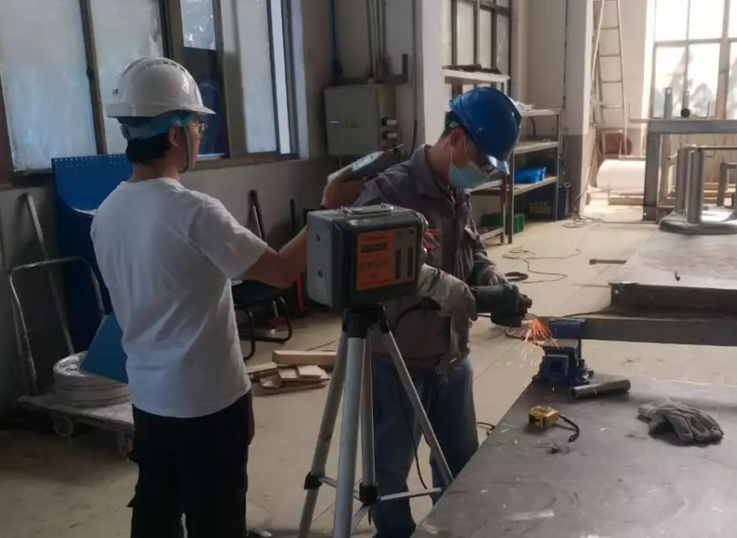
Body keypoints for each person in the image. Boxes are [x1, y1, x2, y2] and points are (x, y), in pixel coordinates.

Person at [89, 57, 366, 538]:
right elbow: (279, 272)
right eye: (197, 125)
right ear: (174, 134)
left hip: (149, 399)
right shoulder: (195, 212)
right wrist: (327, 208)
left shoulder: (106, 212)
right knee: (215, 517)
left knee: (156, 506)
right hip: (208, 404)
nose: (200, 134)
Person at [351, 86, 523, 538]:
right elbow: (361, 266)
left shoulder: (455, 191)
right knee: (388, 476)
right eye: (484, 163)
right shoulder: (389, 192)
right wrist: (442, 286)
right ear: (458, 139)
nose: (485, 174)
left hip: (452, 358)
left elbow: (472, 248)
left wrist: (489, 278)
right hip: (397, 363)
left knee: (460, 467)